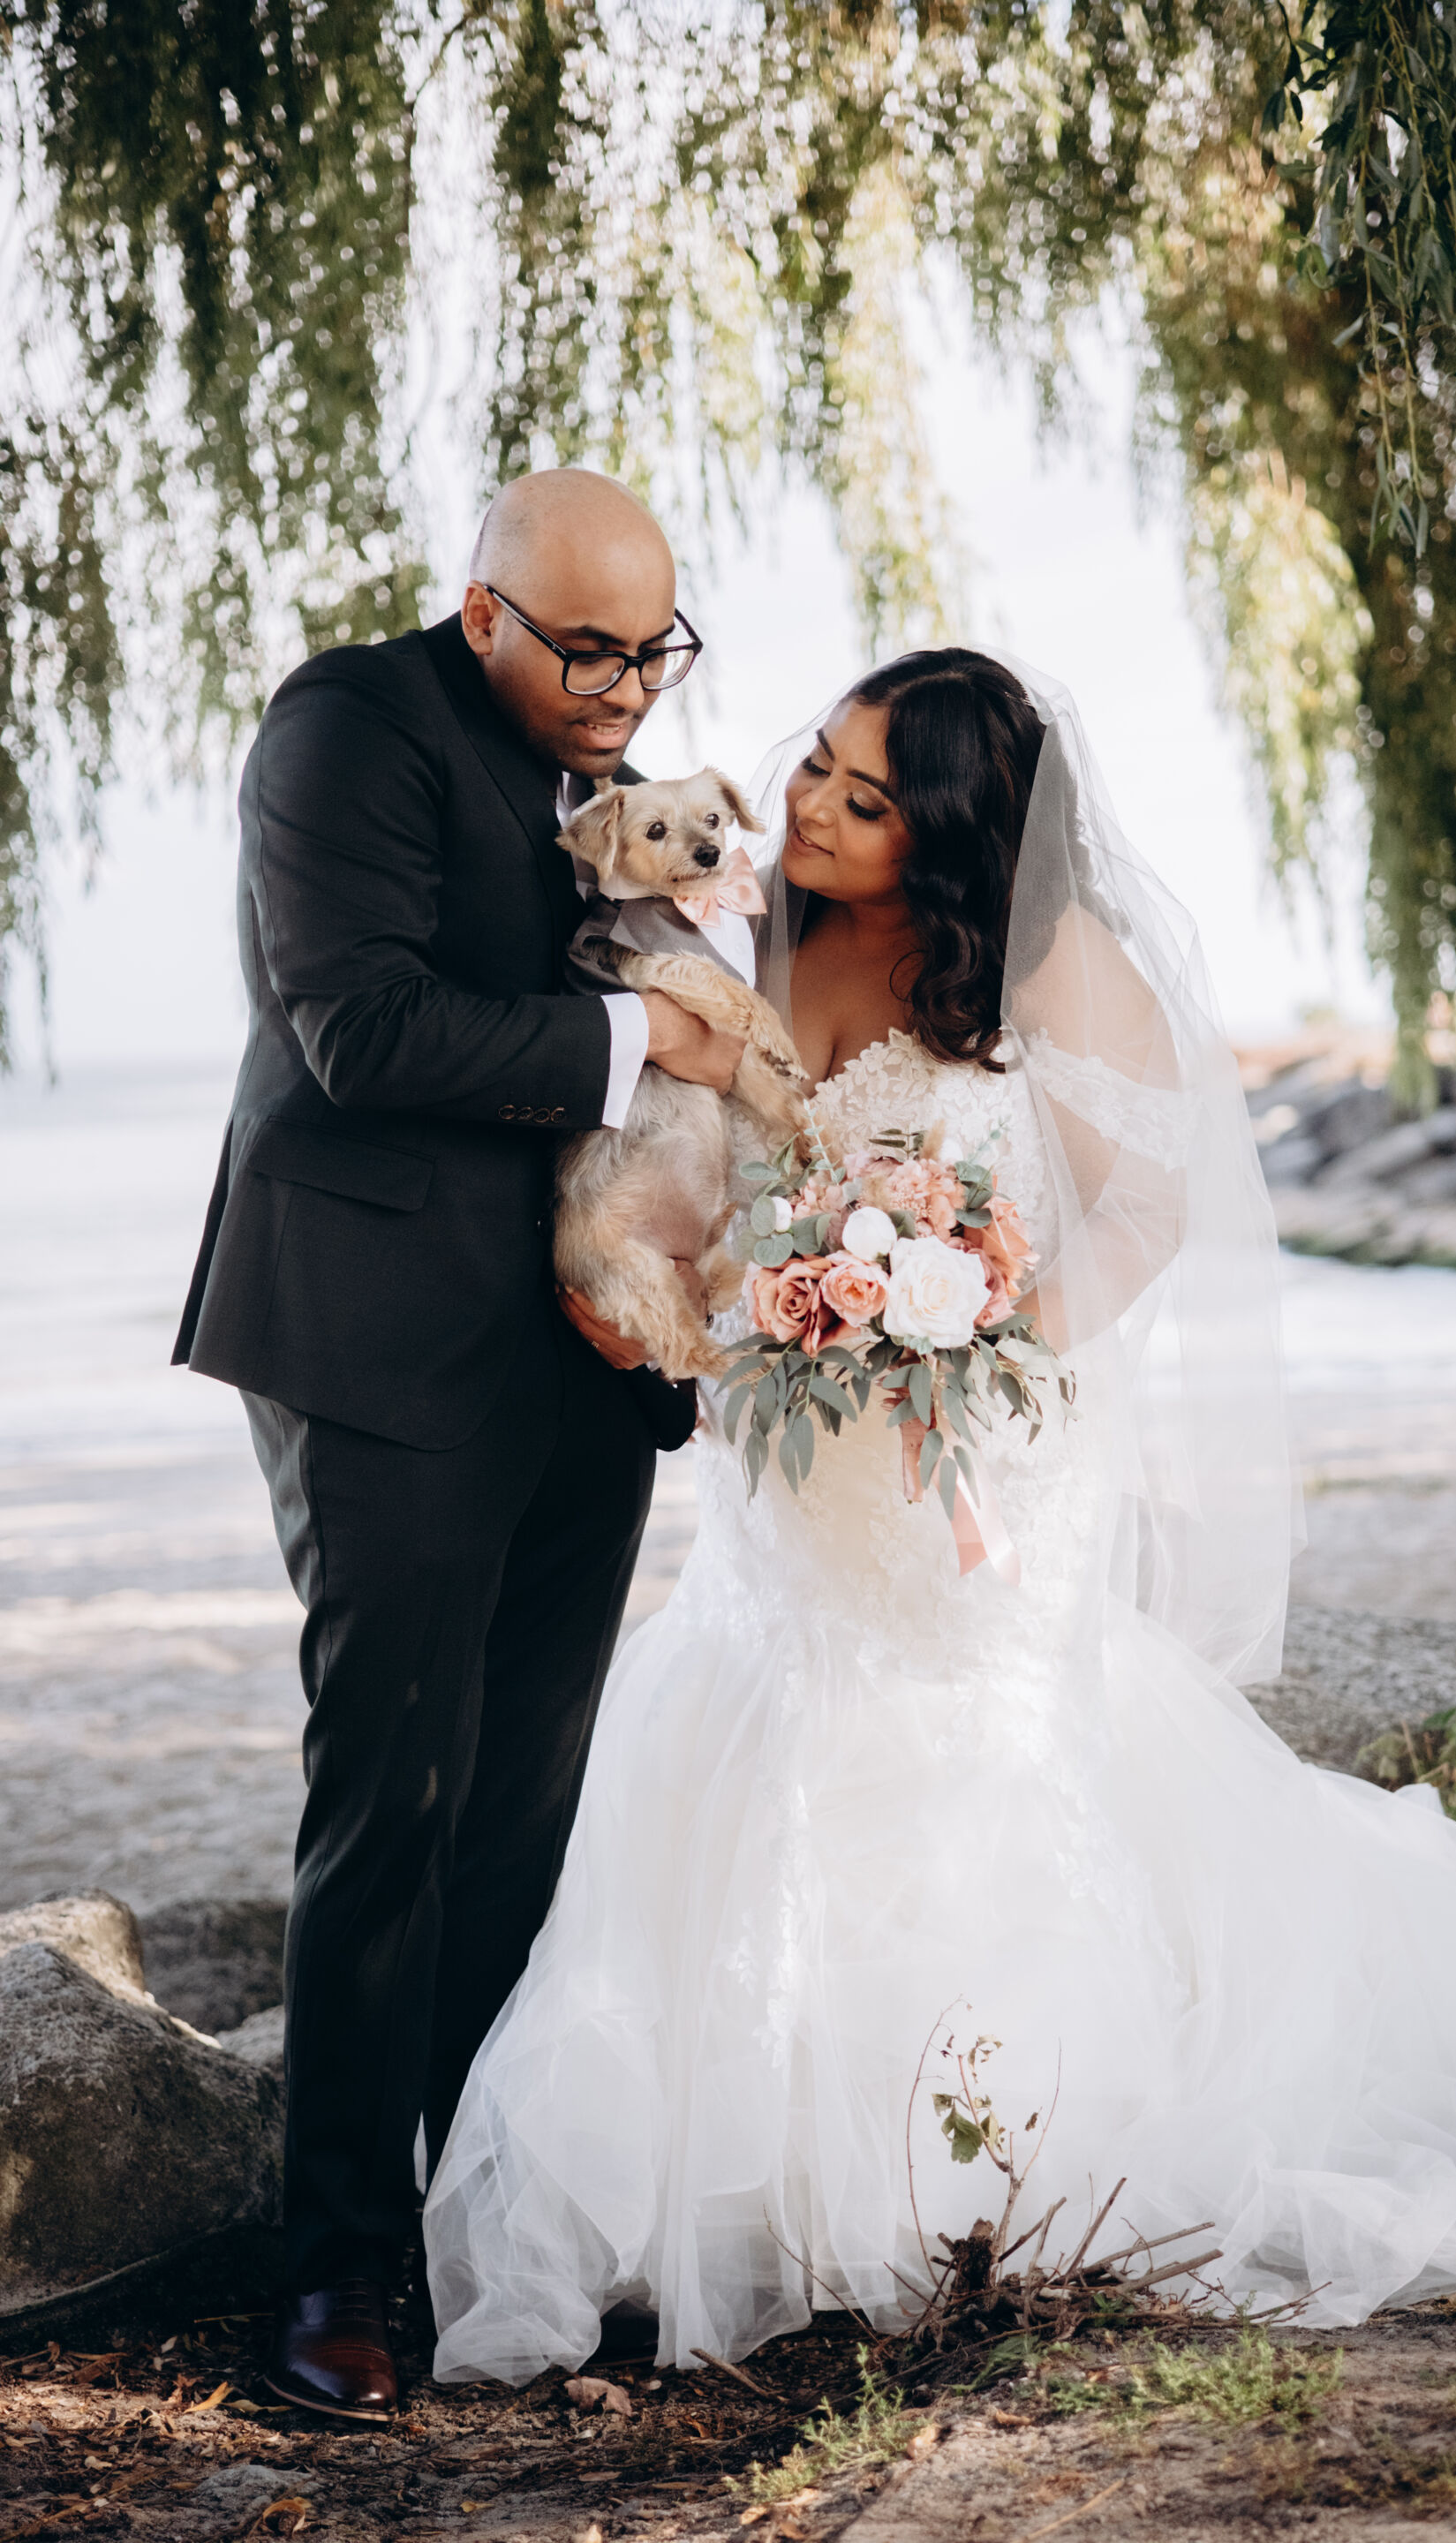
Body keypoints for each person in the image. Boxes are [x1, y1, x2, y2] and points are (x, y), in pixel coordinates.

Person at [424, 647, 1456, 2381]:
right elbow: (693, 1167)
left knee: (960, 1760)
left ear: (955, 838)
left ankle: (972, 2158)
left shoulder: (1054, 962)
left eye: (867, 800)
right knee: (750, 1721)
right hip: (787, 1452)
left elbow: (1148, 1206)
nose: (810, 806)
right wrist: (723, 1308)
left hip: (983, 1455)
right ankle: (741, 2180)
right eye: (817, 762)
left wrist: (974, 1332)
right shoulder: (751, 929)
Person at [173, 469, 746, 2421]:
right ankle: (337, 2265)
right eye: (590, 652)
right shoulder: (347, 726)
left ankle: (488, 2229)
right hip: (380, 1337)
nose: (628, 691)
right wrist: (648, 1042)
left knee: (524, 1814)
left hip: (587, 1349)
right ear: (484, 611)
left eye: (656, 653)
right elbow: (362, 1029)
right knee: (393, 1801)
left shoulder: (618, 781)